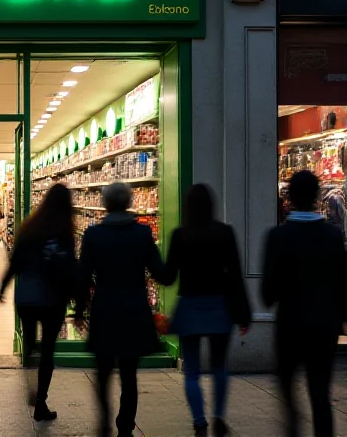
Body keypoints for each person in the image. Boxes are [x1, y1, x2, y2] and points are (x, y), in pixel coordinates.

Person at [75, 182, 170, 437]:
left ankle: (104, 420)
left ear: (104, 204)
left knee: (103, 372)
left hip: (105, 309)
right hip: (134, 310)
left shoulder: (93, 235)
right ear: (129, 202)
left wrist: (78, 311)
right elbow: (161, 273)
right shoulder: (142, 234)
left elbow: (83, 276)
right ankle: (125, 426)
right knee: (129, 374)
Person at [262, 170, 347, 437]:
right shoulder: (333, 237)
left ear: (290, 198)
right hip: (324, 326)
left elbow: (268, 291)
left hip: (290, 326)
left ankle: (293, 429)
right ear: (316, 197)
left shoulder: (278, 237)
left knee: (288, 392)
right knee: (320, 392)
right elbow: (343, 285)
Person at [164, 184, 251, 437]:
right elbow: (236, 274)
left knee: (191, 369)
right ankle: (219, 415)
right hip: (219, 305)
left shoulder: (180, 235)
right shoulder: (225, 233)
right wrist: (243, 313)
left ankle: (199, 420)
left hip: (190, 305)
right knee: (219, 366)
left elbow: (169, 277)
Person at [0, 183, 75, 422]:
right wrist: (78, 301)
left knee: (30, 342)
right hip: (53, 298)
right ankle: (40, 401)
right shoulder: (65, 232)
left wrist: (2, 287)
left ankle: (30, 373)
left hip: (27, 297)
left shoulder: (29, 228)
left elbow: (15, 262)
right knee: (48, 350)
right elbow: (71, 267)